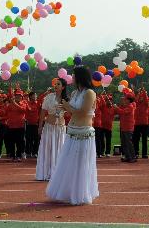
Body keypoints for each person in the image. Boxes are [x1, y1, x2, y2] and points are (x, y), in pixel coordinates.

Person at [46, 65, 99, 205]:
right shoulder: (75, 93)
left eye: (74, 76)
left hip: (84, 133)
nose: (73, 78)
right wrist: (65, 107)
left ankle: (80, 194)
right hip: (72, 131)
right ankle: (68, 192)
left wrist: (68, 107)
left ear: (80, 77)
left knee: (81, 164)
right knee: (68, 163)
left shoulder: (90, 93)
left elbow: (82, 111)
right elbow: (72, 111)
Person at [36, 79, 67, 181]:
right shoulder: (49, 97)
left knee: (60, 150)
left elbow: (71, 113)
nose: (56, 85)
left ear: (63, 87)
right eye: (55, 84)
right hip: (49, 127)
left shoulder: (66, 99)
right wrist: (40, 126)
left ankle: (58, 174)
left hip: (61, 128)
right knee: (48, 149)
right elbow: (43, 112)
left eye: (58, 84)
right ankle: (46, 172)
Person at [115, 89, 137, 162]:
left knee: (128, 143)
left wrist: (117, 108)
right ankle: (128, 156)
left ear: (128, 100)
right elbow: (120, 110)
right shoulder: (126, 106)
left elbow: (122, 112)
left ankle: (133, 157)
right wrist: (117, 107)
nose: (124, 100)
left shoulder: (130, 106)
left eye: (125, 99)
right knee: (124, 143)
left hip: (128, 127)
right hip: (124, 127)